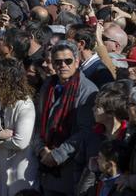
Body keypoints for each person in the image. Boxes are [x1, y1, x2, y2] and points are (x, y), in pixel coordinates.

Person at [37, 41, 99, 196]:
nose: (62, 65)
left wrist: (57, 155)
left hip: (70, 169)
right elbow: (38, 122)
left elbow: (86, 131)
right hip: (45, 164)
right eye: (57, 62)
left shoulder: (88, 90)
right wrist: (40, 149)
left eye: (68, 61)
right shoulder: (48, 85)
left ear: (77, 62)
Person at [0, 58, 38, 195]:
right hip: (2, 164)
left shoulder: (24, 104)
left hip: (21, 167)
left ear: (4, 80)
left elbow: (20, 142)